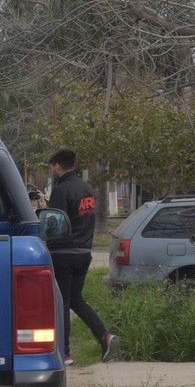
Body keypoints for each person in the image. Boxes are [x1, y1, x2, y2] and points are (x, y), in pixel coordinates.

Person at [46, 148, 118, 365]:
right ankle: (104, 337)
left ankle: (65, 354)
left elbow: (54, 224)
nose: (52, 171)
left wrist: (44, 210)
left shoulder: (61, 189)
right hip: (84, 252)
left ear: (58, 166)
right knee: (75, 299)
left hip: (63, 254)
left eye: (52, 167)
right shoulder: (86, 188)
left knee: (62, 302)